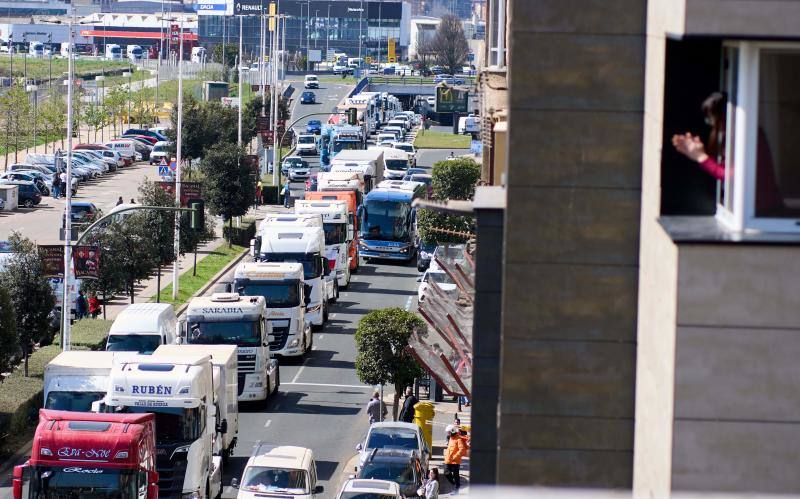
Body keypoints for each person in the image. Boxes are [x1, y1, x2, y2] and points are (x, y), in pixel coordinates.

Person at [672, 91, 783, 215]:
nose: (713, 125)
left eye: (712, 120)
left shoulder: (748, 136)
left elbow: (730, 176)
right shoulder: (738, 135)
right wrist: (699, 152)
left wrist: (700, 156)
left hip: (762, 212)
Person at [443, 426, 468, 493]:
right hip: (448, 460)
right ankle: (455, 484)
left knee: (456, 476)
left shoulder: (458, 439)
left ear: (452, 431)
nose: (447, 433)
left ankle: (456, 489)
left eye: (448, 432)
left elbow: (462, 450)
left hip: (455, 462)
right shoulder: (450, 438)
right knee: (446, 473)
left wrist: (455, 457)